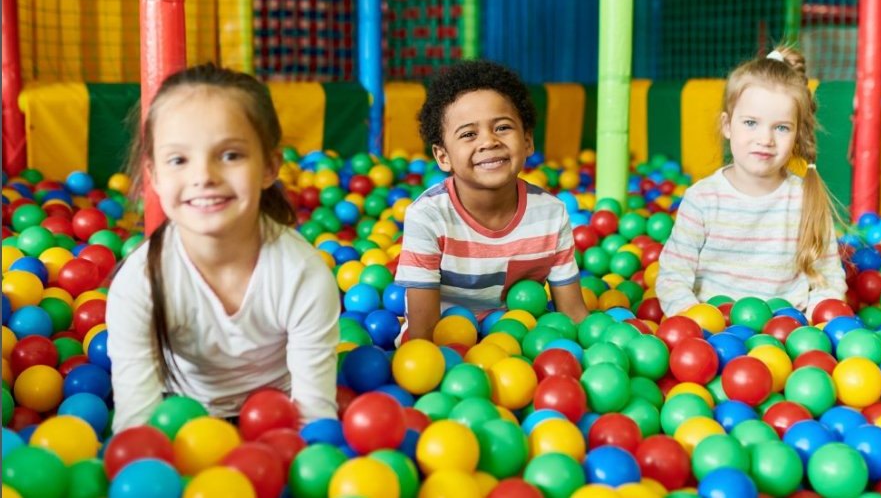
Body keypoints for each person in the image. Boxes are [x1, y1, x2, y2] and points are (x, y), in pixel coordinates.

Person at [106, 64, 340, 432]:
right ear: (154, 175)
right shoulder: (140, 284)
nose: (204, 177)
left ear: (269, 166)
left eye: (230, 155)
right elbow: (136, 429)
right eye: (179, 160)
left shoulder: (303, 276)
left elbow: (315, 419)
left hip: (278, 419)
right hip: (182, 417)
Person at [396, 60, 589, 341]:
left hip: (522, 341)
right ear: (443, 156)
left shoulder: (550, 214)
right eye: (469, 134)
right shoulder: (428, 216)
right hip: (447, 345)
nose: (488, 141)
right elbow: (423, 335)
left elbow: (573, 315)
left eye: (502, 128)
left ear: (527, 141)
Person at [655, 46, 847, 320]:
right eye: (750, 123)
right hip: (714, 339)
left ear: (797, 134)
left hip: (785, 336)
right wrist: (694, 322)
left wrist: (819, 324)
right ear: (727, 125)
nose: (765, 139)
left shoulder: (806, 199)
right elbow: (673, 276)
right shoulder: (703, 199)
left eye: (781, 127)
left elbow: (827, 281)